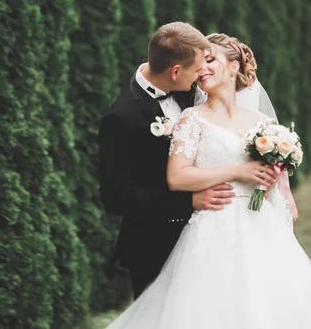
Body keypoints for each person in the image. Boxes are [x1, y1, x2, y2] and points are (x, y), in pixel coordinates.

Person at [105, 33, 311, 329]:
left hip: (259, 227)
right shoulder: (191, 118)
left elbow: (269, 178)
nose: (202, 69)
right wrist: (238, 173)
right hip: (210, 227)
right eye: (199, 63)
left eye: (210, 60)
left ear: (234, 67)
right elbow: (176, 175)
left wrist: (268, 180)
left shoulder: (263, 123)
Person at [98, 23, 252, 298]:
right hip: (154, 245)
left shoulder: (190, 91)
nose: (201, 75)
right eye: (196, 70)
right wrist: (187, 202)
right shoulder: (121, 118)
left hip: (209, 238)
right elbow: (116, 197)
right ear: (176, 71)